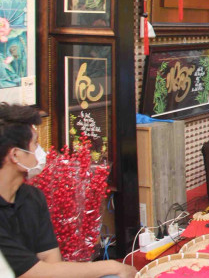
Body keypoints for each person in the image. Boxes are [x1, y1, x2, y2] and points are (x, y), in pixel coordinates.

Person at [0, 103, 138, 278]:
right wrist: (111, 266)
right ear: (15, 155)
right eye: (35, 144)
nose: (40, 152)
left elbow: (51, 260)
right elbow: (33, 272)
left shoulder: (32, 197)